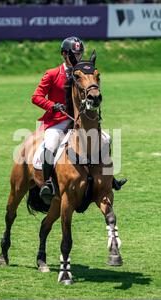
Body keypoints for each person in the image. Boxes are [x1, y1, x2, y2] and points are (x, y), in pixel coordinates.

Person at [31, 36, 127, 204]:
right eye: (73, 54)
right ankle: (48, 184)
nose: (77, 57)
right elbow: (36, 97)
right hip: (58, 120)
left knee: (106, 138)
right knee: (52, 143)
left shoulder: (84, 74)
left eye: (80, 53)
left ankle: (109, 179)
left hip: (79, 121)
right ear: (63, 54)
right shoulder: (53, 74)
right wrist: (52, 105)